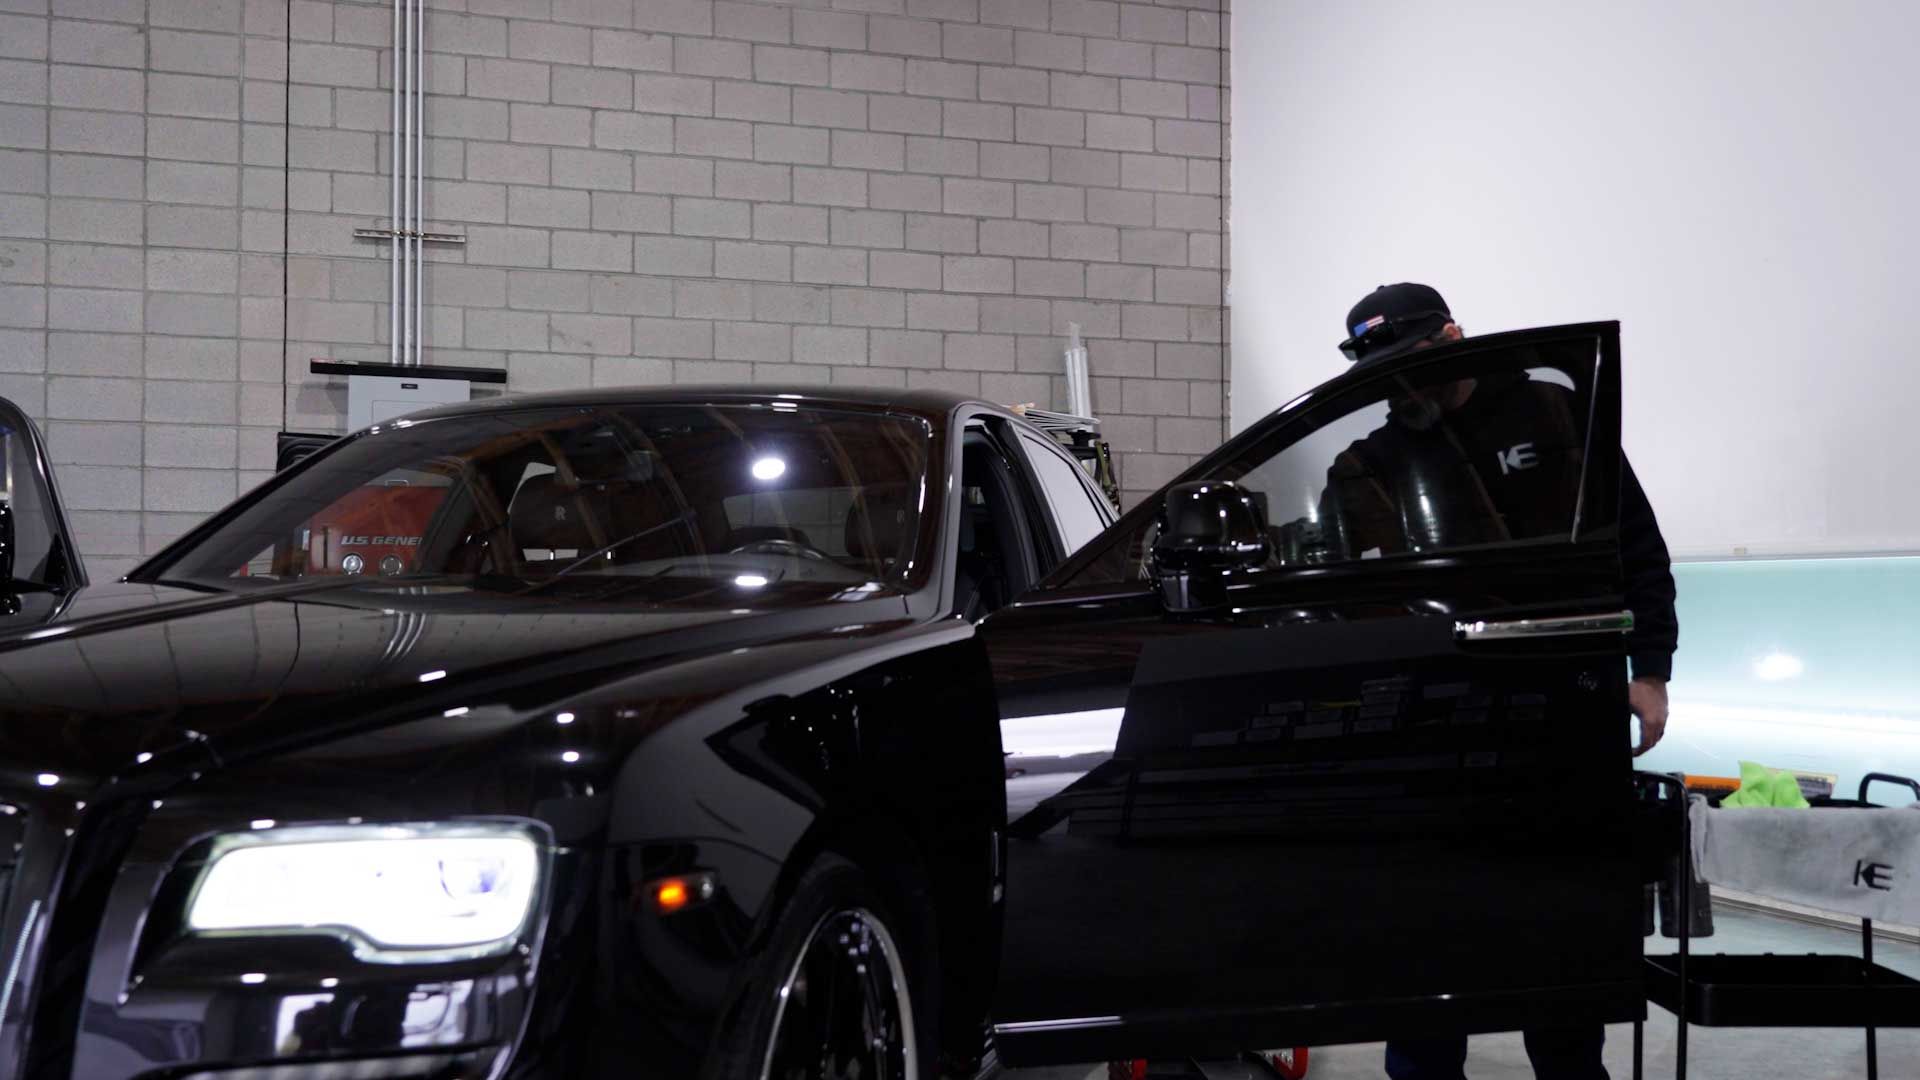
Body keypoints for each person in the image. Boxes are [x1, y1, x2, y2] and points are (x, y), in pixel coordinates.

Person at [1328, 283, 1678, 1080]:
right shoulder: (1367, 465)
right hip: (1432, 727)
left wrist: (1650, 668)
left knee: (1562, 934)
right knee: (1429, 938)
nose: (1401, 385)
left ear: (1454, 337)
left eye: (1412, 362)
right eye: (1384, 373)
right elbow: (1347, 602)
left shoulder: (1557, 415)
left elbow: (1637, 546)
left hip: (1566, 701)